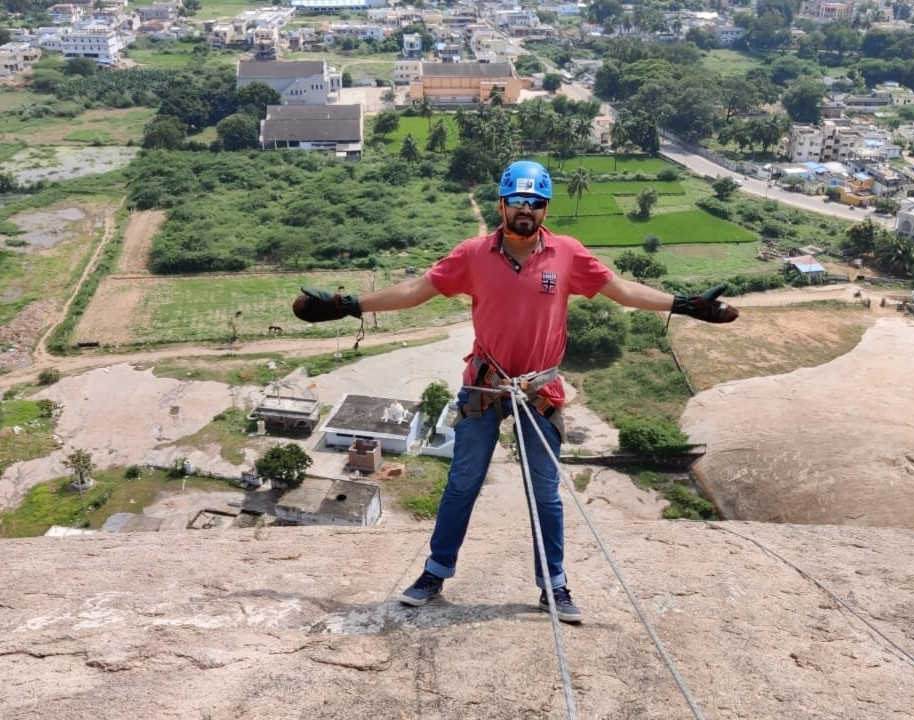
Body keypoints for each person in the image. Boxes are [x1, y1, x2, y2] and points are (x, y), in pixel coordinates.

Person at [292, 160, 738, 623]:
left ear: (545, 209)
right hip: (486, 385)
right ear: (502, 204)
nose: (526, 210)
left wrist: (685, 305)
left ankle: (554, 584)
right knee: (461, 484)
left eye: (535, 203)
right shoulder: (472, 254)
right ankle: (435, 571)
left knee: (545, 491)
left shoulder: (566, 253)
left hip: (539, 390)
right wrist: (351, 305)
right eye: (518, 201)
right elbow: (417, 290)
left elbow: (621, 291)